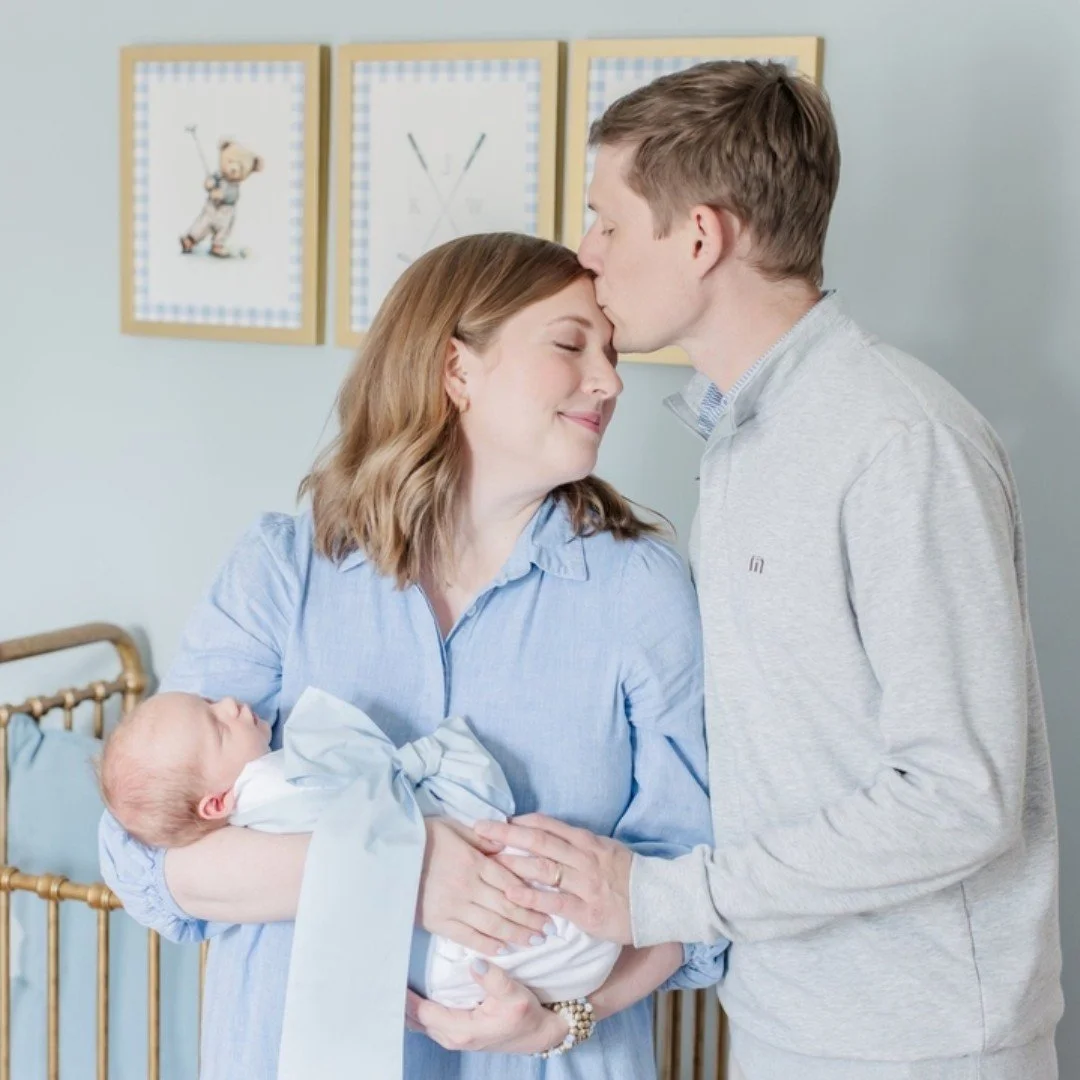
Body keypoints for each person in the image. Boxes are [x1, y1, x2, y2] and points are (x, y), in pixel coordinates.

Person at [473, 61, 1064, 1080]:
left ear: (700, 238)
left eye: (607, 221)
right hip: (789, 1015)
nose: (588, 252)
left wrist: (658, 896)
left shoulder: (897, 441)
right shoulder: (743, 439)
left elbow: (960, 795)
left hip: (920, 1043)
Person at [99, 232, 726, 1080]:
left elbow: (690, 887)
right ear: (457, 371)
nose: (611, 380)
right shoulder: (286, 569)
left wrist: (565, 1018)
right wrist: (400, 865)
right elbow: (156, 854)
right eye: (571, 344)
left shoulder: (639, 592)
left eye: (610, 351)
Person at [96, 687, 621, 1008]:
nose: (229, 703)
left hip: (432, 972)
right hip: (447, 946)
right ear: (214, 805)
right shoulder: (272, 787)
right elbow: (364, 819)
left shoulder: (259, 805)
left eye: (211, 702)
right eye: (215, 721)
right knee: (533, 903)